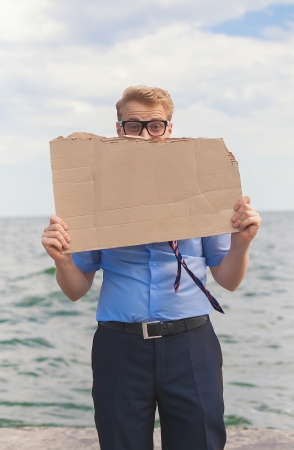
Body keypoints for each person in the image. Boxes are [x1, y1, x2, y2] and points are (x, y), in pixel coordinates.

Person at [42, 85, 262, 450]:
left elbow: (228, 279)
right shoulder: (93, 194)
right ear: (118, 129)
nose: (145, 135)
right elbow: (75, 289)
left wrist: (242, 242)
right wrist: (61, 258)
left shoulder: (204, 187)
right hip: (119, 346)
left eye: (155, 126)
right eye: (134, 125)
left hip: (191, 344)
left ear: (169, 130)